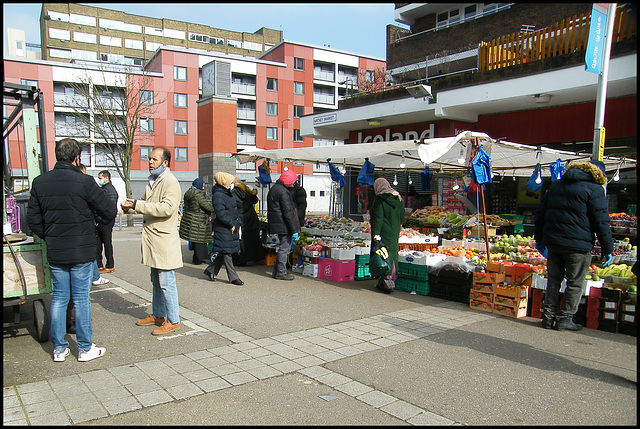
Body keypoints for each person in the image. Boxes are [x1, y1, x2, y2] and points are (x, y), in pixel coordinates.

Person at [27, 138, 115, 362]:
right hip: (82, 249)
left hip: (56, 249)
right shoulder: (84, 182)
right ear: (77, 158)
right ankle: (85, 348)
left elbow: (33, 220)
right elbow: (107, 210)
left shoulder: (40, 182)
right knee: (81, 298)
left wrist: (50, 236)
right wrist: (91, 224)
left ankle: (59, 348)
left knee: (58, 298)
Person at [534, 160, 614, 331]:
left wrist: (539, 239)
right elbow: (601, 222)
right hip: (578, 245)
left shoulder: (555, 186)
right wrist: (608, 249)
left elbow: (540, 214)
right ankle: (565, 319)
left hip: (554, 243)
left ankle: (547, 317)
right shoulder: (594, 189)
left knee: (554, 280)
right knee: (575, 283)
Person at [121, 147, 183, 336]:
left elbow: (166, 208)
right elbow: (144, 203)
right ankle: (157, 314)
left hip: (163, 240)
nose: (150, 162)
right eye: (149, 158)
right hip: (154, 240)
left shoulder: (170, 182)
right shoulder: (153, 181)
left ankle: (173, 320)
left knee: (166, 281)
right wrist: (130, 208)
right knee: (156, 280)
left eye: (154, 159)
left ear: (165, 163)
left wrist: (137, 205)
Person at [203, 172, 244, 285]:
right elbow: (221, 214)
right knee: (227, 253)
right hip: (225, 228)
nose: (232, 184)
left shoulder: (226, 193)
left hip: (230, 226)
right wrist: (231, 224)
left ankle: (210, 270)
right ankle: (233, 277)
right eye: (230, 182)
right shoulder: (219, 195)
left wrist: (236, 222)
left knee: (223, 251)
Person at [370, 177, 404, 293]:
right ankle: (391, 276)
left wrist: (376, 234)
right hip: (394, 230)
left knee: (382, 252)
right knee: (392, 252)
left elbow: (378, 218)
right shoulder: (398, 198)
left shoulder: (379, 199)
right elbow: (402, 216)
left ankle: (386, 276)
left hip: (383, 231)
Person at [267, 170, 300, 280]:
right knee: (284, 249)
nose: (294, 185)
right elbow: (288, 212)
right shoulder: (284, 192)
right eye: (294, 182)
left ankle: (276, 271)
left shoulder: (274, 189)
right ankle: (281, 273)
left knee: (282, 247)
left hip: (277, 222)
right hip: (283, 224)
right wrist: (294, 229)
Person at [179, 178, 214, 265]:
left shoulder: (189, 192)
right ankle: (201, 258)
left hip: (191, 219)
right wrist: (214, 209)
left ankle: (196, 258)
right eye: (203, 185)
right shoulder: (198, 194)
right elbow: (206, 206)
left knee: (195, 239)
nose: (203, 187)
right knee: (200, 240)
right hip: (198, 220)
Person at [231, 178, 263, 266]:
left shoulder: (232, 194)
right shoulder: (247, 192)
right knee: (253, 238)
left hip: (240, 219)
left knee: (241, 239)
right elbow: (255, 200)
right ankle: (256, 257)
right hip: (251, 218)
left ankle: (242, 259)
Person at [96, 170, 118, 274]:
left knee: (107, 243)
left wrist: (101, 219)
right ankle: (99, 264)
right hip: (102, 220)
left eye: (100, 178)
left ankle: (110, 265)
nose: (99, 180)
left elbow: (109, 208)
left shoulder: (109, 191)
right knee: (99, 243)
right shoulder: (104, 189)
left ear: (106, 178)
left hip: (106, 221)